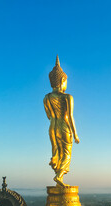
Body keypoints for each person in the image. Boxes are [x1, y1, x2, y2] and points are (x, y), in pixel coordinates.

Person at [44, 55, 80, 187]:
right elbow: (70, 116)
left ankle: (58, 174)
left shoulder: (46, 98)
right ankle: (59, 176)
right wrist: (75, 133)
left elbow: (48, 115)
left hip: (52, 126)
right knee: (66, 154)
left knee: (56, 151)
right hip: (64, 126)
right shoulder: (67, 97)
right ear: (63, 79)